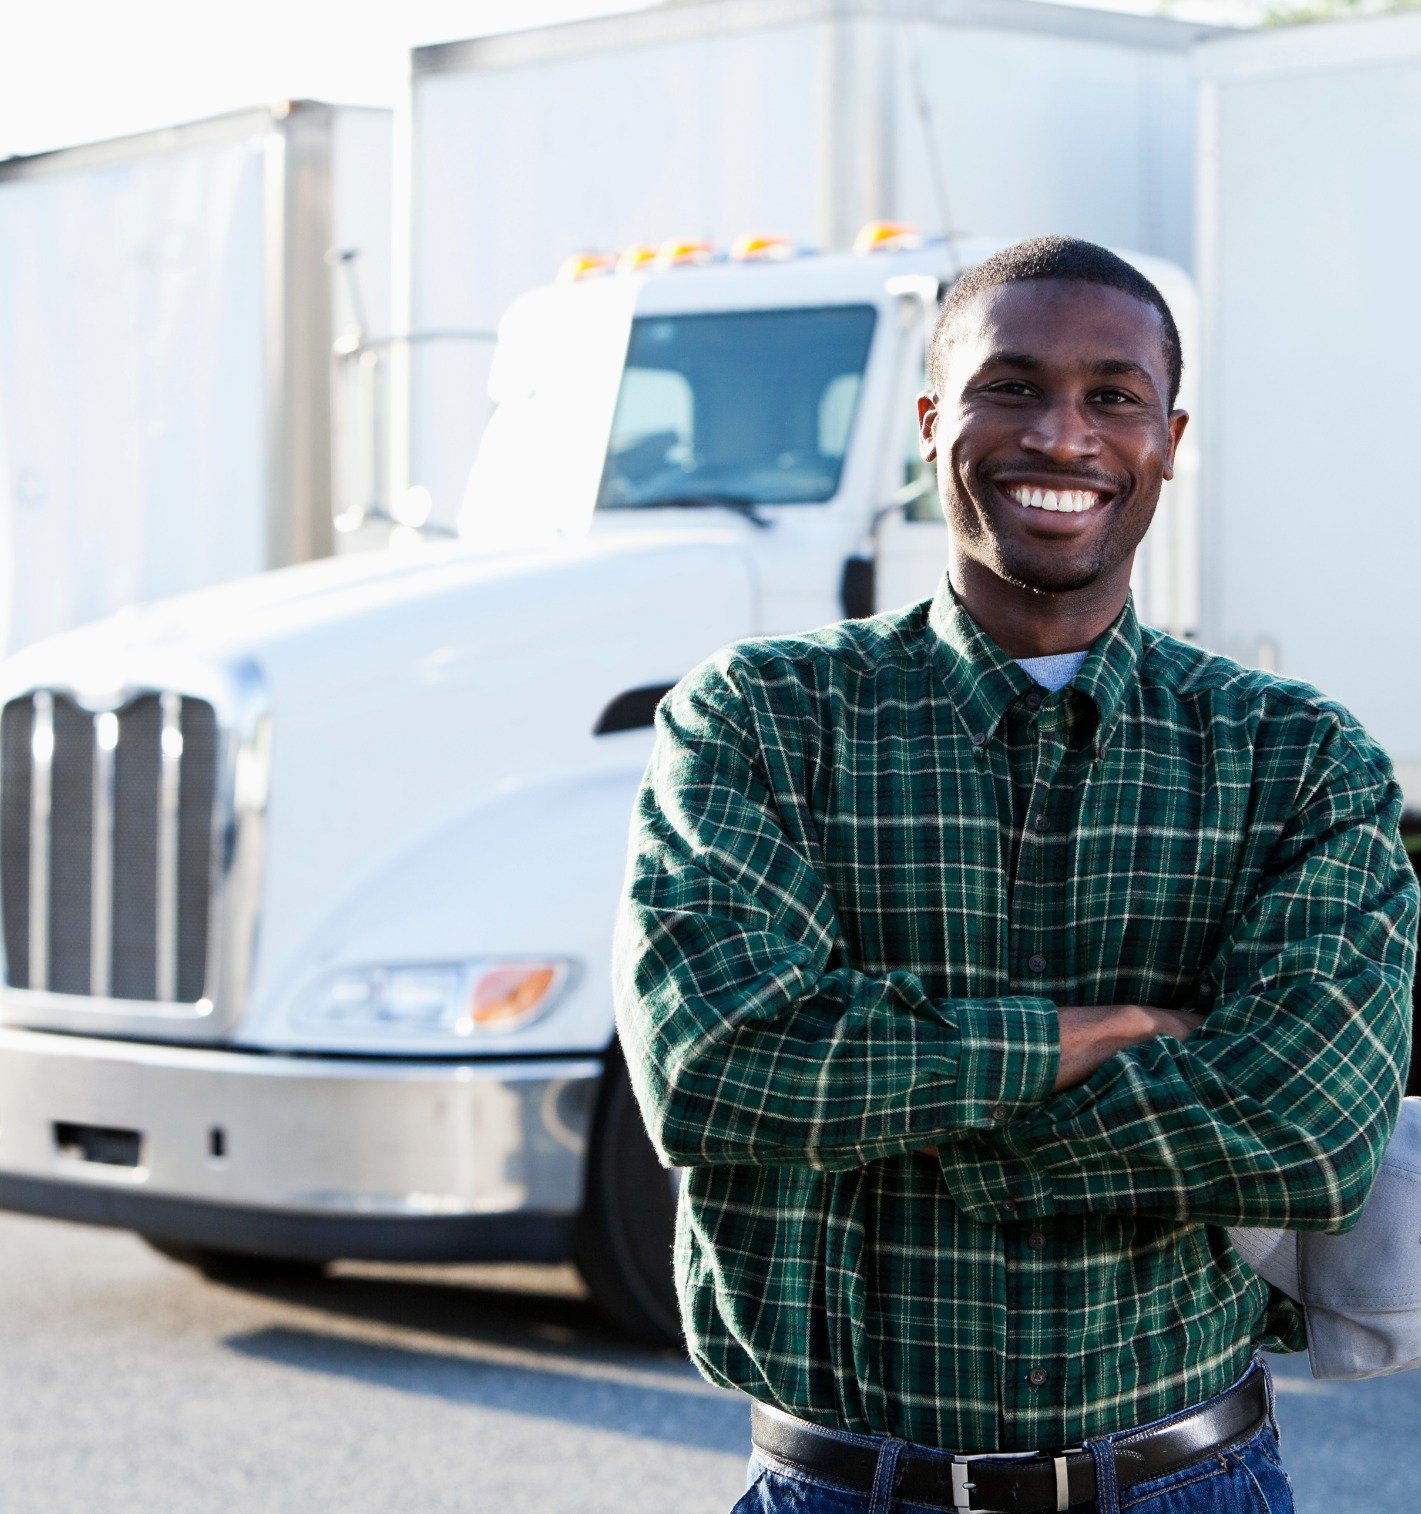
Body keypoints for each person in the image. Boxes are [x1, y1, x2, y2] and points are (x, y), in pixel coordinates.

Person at [611, 236, 1416, 1514]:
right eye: (1010, 386)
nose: (1060, 435)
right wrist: (1099, 1036)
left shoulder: (1295, 758)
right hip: (837, 1487)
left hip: (1183, 1482)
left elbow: (1308, 1132)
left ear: (1168, 435)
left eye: (1112, 395)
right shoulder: (762, 716)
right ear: (933, 420)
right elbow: (710, 1069)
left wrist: (897, 1122)